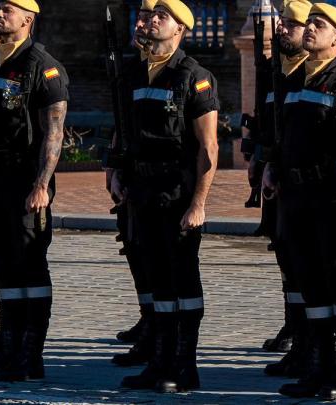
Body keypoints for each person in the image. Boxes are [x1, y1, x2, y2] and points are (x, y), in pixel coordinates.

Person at [263, 3, 336, 400]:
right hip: (295, 196)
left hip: (333, 197)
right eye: (309, 23)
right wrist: (272, 168)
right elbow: (286, 136)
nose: (310, 29)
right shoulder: (294, 79)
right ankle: (319, 366)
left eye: (320, 25)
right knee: (309, 283)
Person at [109, 0, 220, 393]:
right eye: (150, 16)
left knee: (182, 281)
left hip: (176, 192)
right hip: (142, 191)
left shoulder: (194, 76)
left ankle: (184, 365)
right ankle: (158, 361)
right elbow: (125, 130)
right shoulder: (134, 73)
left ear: (180, 29)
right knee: (155, 281)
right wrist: (117, 172)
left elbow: (208, 148)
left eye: (162, 17)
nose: (151, 21)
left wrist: (198, 204)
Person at [0, 0, 69, 381]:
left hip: (26, 181)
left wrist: (42, 185)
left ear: (28, 18)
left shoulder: (42, 65)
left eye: (9, 8)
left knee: (30, 265)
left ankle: (30, 353)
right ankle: (7, 348)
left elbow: (54, 132)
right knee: (5, 266)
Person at [255, 0, 313, 378]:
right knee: (285, 258)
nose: (283, 29)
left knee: (309, 265)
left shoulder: (314, 75)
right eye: (282, 24)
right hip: (278, 182)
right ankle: (294, 325)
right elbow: (264, 122)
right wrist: (259, 164)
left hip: (311, 188)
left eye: (292, 24)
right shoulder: (274, 71)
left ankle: (311, 339)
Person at [109, 0, 157, 368]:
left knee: (158, 259)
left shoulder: (171, 72)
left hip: (162, 181)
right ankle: (147, 315)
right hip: (132, 171)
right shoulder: (131, 69)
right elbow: (120, 122)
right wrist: (113, 167)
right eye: (140, 17)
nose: (142, 24)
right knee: (135, 248)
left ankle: (158, 328)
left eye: (150, 18)